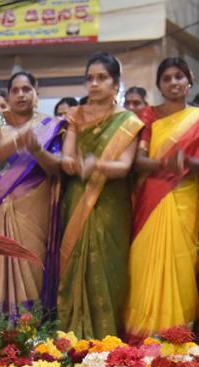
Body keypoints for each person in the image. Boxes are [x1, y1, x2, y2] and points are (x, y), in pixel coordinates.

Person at [125, 57, 199, 340]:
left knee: (182, 267)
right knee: (144, 265)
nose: (173, 82)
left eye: (179, 76)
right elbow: (138, 160)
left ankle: (177, 340)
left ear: (189, 82)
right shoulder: (148, 116)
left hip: (186, 199)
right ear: (159, 85)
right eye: (167, 78)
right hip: (150, 201)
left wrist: (188, 163)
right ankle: (140, 341)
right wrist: (165, 164)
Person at [57, 52, 141, 339]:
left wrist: (97, 164)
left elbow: (125, 166)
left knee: (108, 266)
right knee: (75, 265)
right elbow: (67, 158)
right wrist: (70, 163)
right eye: (90, 78)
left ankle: (106, 341)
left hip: (110, 202)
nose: (94, 84)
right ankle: (70, 337)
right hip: (78, 196)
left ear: (116, 84)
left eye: (102, 78)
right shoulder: (76, 116)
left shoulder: (128, 121)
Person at [0, 70, 64, 322]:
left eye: (27, 89)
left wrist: (36, 149)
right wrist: (15, 144)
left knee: (31, 265)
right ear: (8, 94)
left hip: (32, 208)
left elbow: (56, 168)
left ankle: (29, 330)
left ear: (37, 94)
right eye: (15, 90)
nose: (21, 94)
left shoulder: (50, 125)